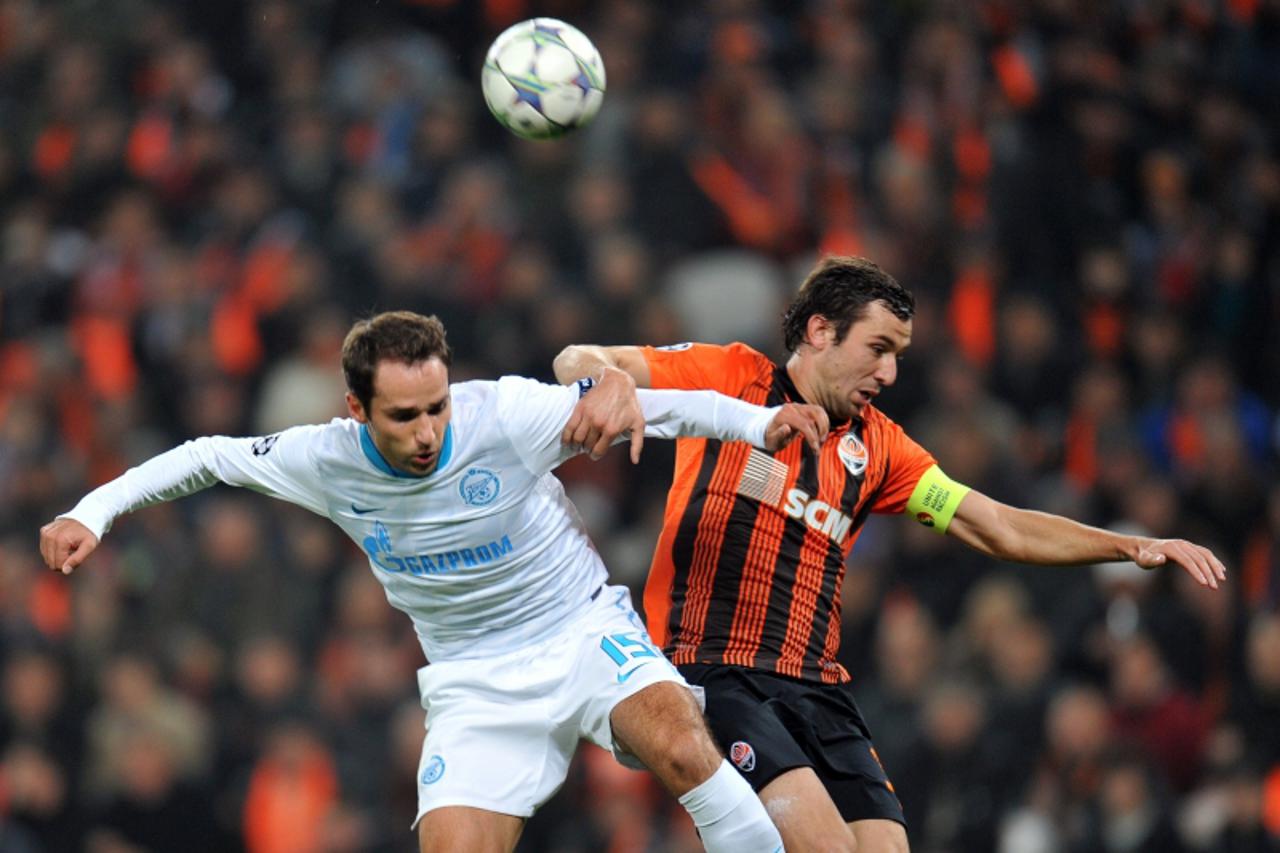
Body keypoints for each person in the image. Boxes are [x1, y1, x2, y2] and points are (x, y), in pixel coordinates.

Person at [40, 310, 833, 852]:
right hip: (473, 681)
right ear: (357, 408)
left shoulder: (504, 415)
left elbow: (655, 410)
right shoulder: (325, 458)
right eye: (404, 416)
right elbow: (208, 456)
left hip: (581, 630)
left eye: (436, 407)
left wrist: (759, 423)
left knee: (685, 747)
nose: (427, 433)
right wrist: (92, 511)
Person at [552, 255, 1228, 853]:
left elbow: (1000, 527)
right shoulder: (730, 376)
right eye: (878, 348)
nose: (890, 371)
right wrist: (607, 382)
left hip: (819, 687)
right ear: (820, 331)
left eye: (898, 353)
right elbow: (576, 358)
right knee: (823, 846)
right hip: (719, 672)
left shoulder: (881, 449)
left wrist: (1128, 544)